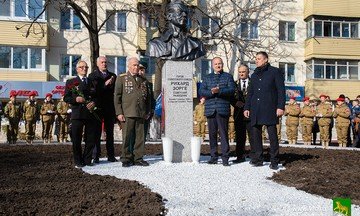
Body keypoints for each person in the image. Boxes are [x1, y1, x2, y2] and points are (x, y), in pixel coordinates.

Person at [244, 51, 285, 170]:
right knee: (256, 135)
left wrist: (280, 106)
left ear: (266, 59)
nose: (256, 61)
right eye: (256, 59)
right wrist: (247, 107)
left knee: (272, 136)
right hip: (256, 109)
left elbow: (281, 91)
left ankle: (274, 160)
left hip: (270, 108)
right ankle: (258, 159)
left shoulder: (274, 72)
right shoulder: (254, 74)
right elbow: (250, 93)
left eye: (259, 59)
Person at [114, 57, 152, 167]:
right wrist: (119, 113)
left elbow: (148, 97)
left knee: (140, 137)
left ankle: (138, 158)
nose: (136, 67)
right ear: (129, 66)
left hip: (141, 113)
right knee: (127, 137)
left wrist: (148, 111)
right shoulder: (122, 78)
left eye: (137, 65)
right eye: (134, 65)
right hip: (127, 113)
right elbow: (117, 97)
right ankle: (126, 158)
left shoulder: (143, 80)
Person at [199, 57, 235, 166]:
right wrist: (211, 92)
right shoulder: (207, 77)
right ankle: (213, 157)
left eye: (220, 64)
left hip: (222, 109)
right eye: (216, 64)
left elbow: (231, 90)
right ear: (212, 65)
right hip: (210, 110)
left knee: (224, 134)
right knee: (212, 135)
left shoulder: (228, 76)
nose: (218, 65)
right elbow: (201, 90)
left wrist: (219, 91)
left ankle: (225, 158)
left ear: (222, 64)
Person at [64, 60, 100, 168]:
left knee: (90, 138)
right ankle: (78, 160)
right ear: (77, 69)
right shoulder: (71, 82)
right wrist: (76, 99)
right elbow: (66, 97)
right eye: (82, 67)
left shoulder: (92, 82)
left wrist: (94, 102)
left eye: (86, 67)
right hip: (77, 114)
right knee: (76, 138)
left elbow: (97, 97)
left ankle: (87, 159)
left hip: (90, 114)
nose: (84, 69)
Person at [88, 56, 117, 163]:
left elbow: (115, 92)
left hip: (109, 108)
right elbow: (94, 92)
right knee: (96, 132)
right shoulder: (92, 76)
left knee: (110, 133)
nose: (104, 64)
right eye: (102, 62)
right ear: (97, 64)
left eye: (105, 62)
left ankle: (111, 155)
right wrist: (105, 84)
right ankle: (96, 156)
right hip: (98, 108)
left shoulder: (113, 76)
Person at [231, 64, 251, 163]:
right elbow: (230, 97)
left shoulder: (253, 83)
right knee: (239, 136)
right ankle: (240, 156)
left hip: (251, 113)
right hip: (238, 114)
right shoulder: (234, 84)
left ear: (248, 72)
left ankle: (255, 156)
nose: (241, 74)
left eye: (243, 72)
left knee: (253, 136)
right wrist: (235, 103)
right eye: (240, 72)